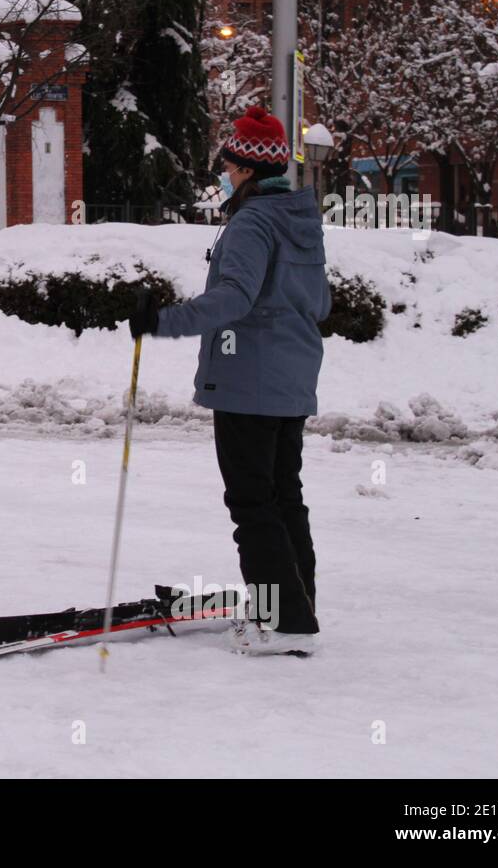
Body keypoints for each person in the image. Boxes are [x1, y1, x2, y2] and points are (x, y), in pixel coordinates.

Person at [128, 105, 331, 656]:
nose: (222, 173)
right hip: (291, 379)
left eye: (227, 164)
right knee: (283, 496)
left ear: (244, 168)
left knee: (251, 503)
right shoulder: (300, 220)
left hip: (249, 381)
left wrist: (161, 320)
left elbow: (233, 299)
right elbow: (321, 302)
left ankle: (283, 621)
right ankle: (297, 606)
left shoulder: (252, 223)